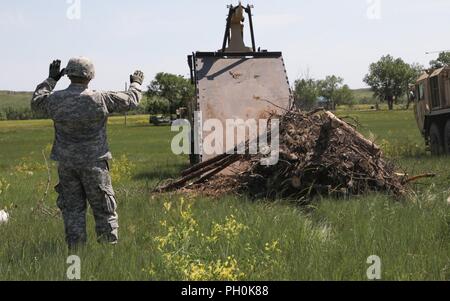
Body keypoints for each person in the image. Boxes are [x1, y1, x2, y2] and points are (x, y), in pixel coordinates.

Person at [31, 57, 144, 250]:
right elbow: (132, 100)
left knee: (73, 211)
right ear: (90, 75)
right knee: (104, 209)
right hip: (95, 164)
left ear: (67, 74)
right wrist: (136, 83)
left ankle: (76, 253)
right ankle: (108, 253)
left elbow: (36, 103)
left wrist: (51, 80)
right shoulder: (101, 98)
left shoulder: (56, 99)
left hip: (67, 166)